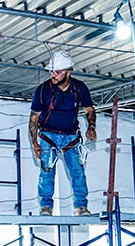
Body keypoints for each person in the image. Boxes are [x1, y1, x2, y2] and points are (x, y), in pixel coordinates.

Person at [28, 50, 97, 216]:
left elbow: (89, 109)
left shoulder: (79, 88)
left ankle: (81, 206)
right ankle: (46, 206)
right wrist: (35, 143)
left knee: (78, 172)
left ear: (68, 71)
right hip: (48, 135)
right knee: (46, 170)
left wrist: (92, 127)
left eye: (57, 72)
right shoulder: (43, 90)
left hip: (71, 136)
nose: (53, 75)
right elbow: (34, 118)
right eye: (51, 72)